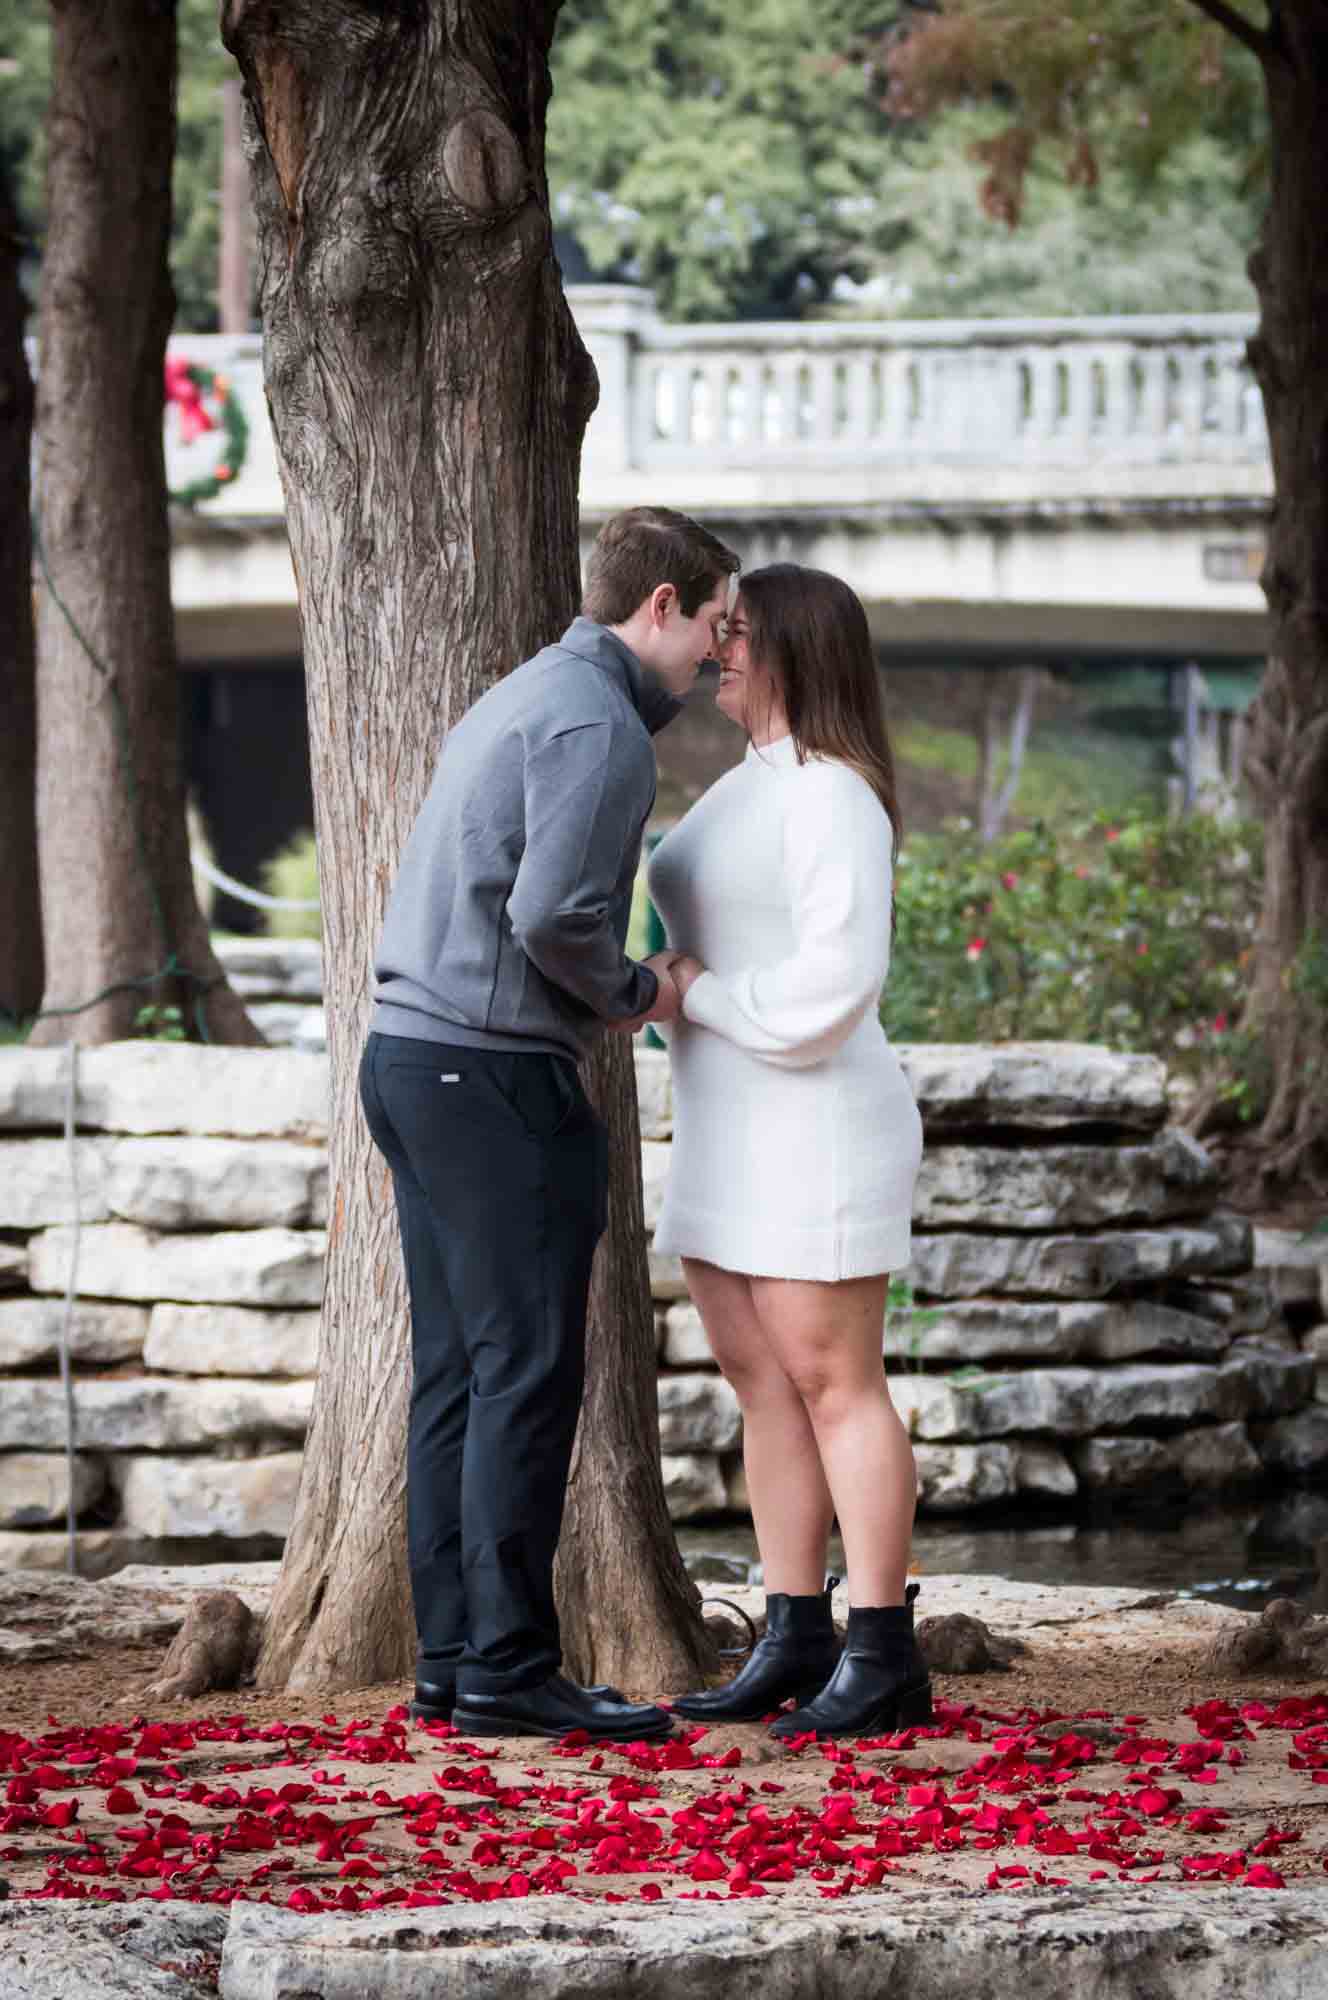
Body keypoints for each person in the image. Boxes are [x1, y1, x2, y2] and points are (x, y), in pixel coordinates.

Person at [360, 506, 740, 1742]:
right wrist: (640, 990)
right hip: (488, 1076)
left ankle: (454, 1663)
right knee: (523, 1374)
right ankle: (513, 1669)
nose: (716, 658)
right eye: (712, 628)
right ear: (662, 605)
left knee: (459, 1375)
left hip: (411, 1060)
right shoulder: (596, 726)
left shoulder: (532, 688)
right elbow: (553, 917)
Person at [647, 563, 930, 1740]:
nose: (719, 644)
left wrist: (697, 994)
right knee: (760, 1382)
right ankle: (792, 1629)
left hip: (812, 1118)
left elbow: (831, 986)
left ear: (795, 651)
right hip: (725, 1117)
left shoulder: (832, 796)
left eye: (742, 632)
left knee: (832, 1380)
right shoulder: (742, 786)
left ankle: (882, 1648)